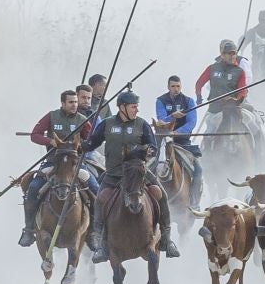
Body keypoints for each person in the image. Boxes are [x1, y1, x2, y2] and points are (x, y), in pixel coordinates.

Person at [84, 90, 180, 260]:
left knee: (161, 194)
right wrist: (84, 145)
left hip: (137, 173)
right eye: (133, 107)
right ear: (122, 107)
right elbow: (93, 143)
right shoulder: (106, 124)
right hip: (114, 173)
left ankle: (166, 239)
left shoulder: (142, 124)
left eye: (137, 106)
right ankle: (100, 244)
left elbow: (153, 147)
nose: (136, 110)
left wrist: (148, 151)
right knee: (100, 198)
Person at [20, 88, 100, 246]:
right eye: (71, 102)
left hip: (75, 164)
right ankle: (29, 230)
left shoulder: (83, 119)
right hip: (53, 163)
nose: (74, 105)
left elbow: (91, 141)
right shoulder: (51, 116)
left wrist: (81, 145)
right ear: (62, 103)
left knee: (95, 189)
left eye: (76, 102)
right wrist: (50, 142)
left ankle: (93, 232)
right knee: (33, 189)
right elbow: (34, 135)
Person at [152, 75, 202, 210]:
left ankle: (194, 202)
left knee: (198, 170)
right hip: (164, 142)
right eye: (173, 86)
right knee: (149, 166)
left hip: (182, 142)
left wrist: (177, 132)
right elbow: (161, 120)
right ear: (168, 87)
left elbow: (192, 122)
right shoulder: (160, 101)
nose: (176, 89)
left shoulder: (189, 101)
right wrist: (172, 116)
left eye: (178, 86)